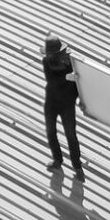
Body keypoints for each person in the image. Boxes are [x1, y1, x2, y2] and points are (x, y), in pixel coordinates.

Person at [41, 35, 83, 173]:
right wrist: (67, 76)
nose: (50, 56)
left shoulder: (70, 63)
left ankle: (77, 165)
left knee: (71, 135)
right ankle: (57, 160)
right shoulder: (46, 62)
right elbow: (52, 80)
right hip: (51, 103)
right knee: (51, 132)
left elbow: (79, 86)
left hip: (67, 104)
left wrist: (81, 100)